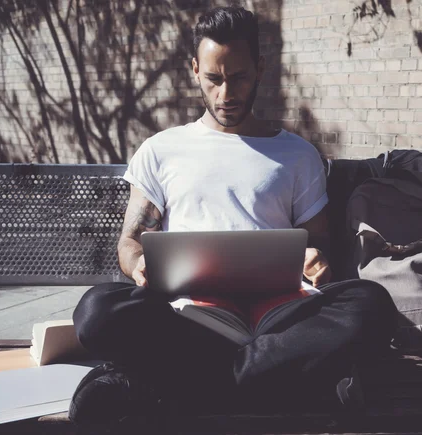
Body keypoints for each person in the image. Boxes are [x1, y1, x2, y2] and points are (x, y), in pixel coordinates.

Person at [69, 6, 397, 428]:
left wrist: (317, 258)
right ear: (195, 70)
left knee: (370, 305)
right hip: (188, 316)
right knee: (97, 311)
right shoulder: (161, 149)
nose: (227, 93)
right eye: (214, 78)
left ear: (259, 69)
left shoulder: (297, 155)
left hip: (279, 318)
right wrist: (139, 265)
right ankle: (286, 380)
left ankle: (165, 386)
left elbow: (321, 244)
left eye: (239, 77)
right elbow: (130, 242)